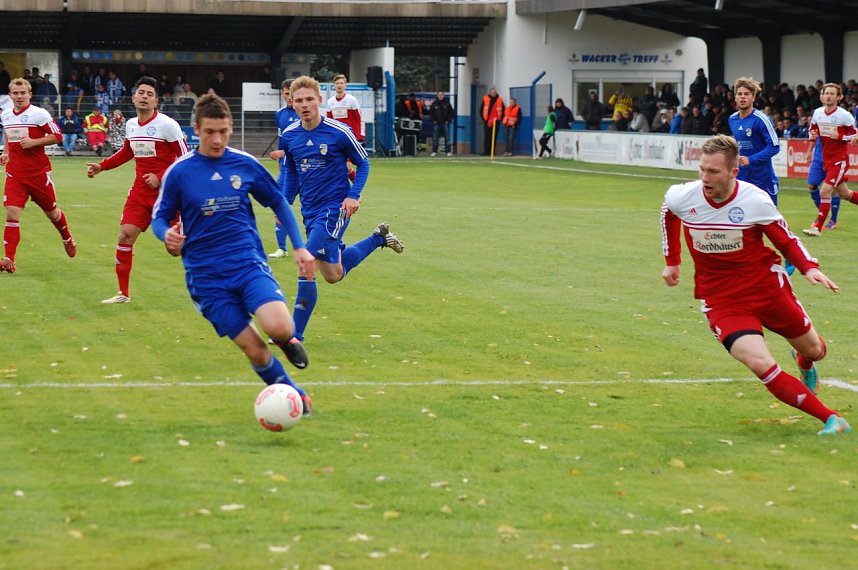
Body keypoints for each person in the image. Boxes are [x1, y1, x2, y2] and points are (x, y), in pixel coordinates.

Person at [661, 134, 850, 436]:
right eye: (702, 169)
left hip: (766, 290)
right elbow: (667, 212)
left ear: (733, 172)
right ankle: (831, 418)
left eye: (713, 172)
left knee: (815, 350)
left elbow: (785, 239)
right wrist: (672, 260)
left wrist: (808, 267)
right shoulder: (684, 196)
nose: (704, 178)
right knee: (760, 363)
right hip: (721, 300)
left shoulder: (754, 200)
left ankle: (804, 360)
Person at [152, 93, 315, 413]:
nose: (217, 139)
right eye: (210, 132)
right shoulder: (180, 172)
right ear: (196, 128)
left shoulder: (244, 164)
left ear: (230, 128)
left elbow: (278, 201)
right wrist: (166, 235)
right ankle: (294, 393)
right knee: (254, 349)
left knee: (281, 327)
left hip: (247, 264)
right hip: (206, 277)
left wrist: (299, 246)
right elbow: (159, 217)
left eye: (224, 131)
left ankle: (287, 341)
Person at [280, 75, 404, 348]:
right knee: (333, 274)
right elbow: (290, 172)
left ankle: (294, 337)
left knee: (307, 260)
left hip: (334, 209)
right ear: (291, 102)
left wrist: (352, 196)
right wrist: (284, 202)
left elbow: (364, 164)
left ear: (319, 100)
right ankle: (378, 238)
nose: (304, 105)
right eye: (298, 100)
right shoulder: (289, 137)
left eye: (309, 99)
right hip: (310, 212)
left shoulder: (338, 132)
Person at [86, 76, 189, 304]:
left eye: (149, 94)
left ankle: (208, 254)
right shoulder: (131, 125)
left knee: (174, 249)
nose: (144, 97)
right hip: (140, 193)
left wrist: (160, 177)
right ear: (133, 98)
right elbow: (126, 152)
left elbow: (187, 159)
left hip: (168, 196)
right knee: (125, 235)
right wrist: (101, 166)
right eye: (141, 93)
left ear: (156, 101)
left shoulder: (168, 125)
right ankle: (123, 294)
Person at [0, 78, 76, 274]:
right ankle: (9, 259)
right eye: (15, 93)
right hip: (15, 174)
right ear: (10, 96)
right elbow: (9, 134)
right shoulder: (6, 115)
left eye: (22, 93)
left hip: (38, 174)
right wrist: (7, 152)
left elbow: (57, 136)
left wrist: (33, 142)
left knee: (52, 213)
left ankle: (66, 237)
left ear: (30, 94)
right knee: (11, 213)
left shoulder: (39, 114)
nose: (19, 96)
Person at [802, 83, 858, 237]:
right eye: (826, 93)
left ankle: (817, 227)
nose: (828, 96)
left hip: (839, 160)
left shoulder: (844, 115)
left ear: (838, 97)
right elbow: (813, 129)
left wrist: (840, 136)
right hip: (825, 159)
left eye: (832, 94)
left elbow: (855, 136)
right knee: (845, 194)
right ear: (822, 96)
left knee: (825, 191)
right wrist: (812, 135)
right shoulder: (818, 113)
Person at [267, 78, 299, 259]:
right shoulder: (280, 115)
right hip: (286, 171)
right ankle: (282, 248)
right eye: (286, 94)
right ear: (282, 94)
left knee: (311, 208)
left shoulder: (305, 114)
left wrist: (284, 152)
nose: (289, 97)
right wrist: (281, 156)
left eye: (291, 94)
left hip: (305, 170)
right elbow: (283, 142)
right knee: (279, 206)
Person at [326, 73, 364, 181]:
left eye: (341, 83)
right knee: (338, 166)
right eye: (337, 83)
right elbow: (329, 122)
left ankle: (356, 188)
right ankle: (349, 189)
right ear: (334, 85)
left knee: (347, 166)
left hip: (350, 137)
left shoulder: (351, 100)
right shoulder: (330, 102)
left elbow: (359, 118)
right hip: (336, 139)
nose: (339, 85)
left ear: (345, 85)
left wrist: (359, 136)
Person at [806, 139, 841, 230]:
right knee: (811, 185)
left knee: (834, 189)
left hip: (834, 158)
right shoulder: (818, 124)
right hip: (818, 158)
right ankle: (823, 213)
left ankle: (833, 220)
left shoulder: (841, 125)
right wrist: (809, 151)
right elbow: (814, 135)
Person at [479, 87, 503, 156]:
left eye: (494, 92)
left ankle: (492, 151)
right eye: (492, 92)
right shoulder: (485, 99)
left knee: (494, 137)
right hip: (487, 121)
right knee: (487, 137)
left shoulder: (499, 99)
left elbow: (502, 110)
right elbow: (481, 110)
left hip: (496, 122)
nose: (493, 93)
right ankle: (486, 151)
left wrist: (500, 119)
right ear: (489, 92)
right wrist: (484, 119)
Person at [429, 90, 455, 157]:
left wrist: (448, 121)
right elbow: (431, 114)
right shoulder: (434, 104)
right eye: (439, 95)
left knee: (447, 138)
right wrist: (433, 120)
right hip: (436, 123)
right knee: (435, 138)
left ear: (444, 95)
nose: (440, 96)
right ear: (437, 96)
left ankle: (448, 151)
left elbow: (451, 113)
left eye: (442, 95)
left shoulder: (447, 104)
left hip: (445, 123)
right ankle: (434, 151)